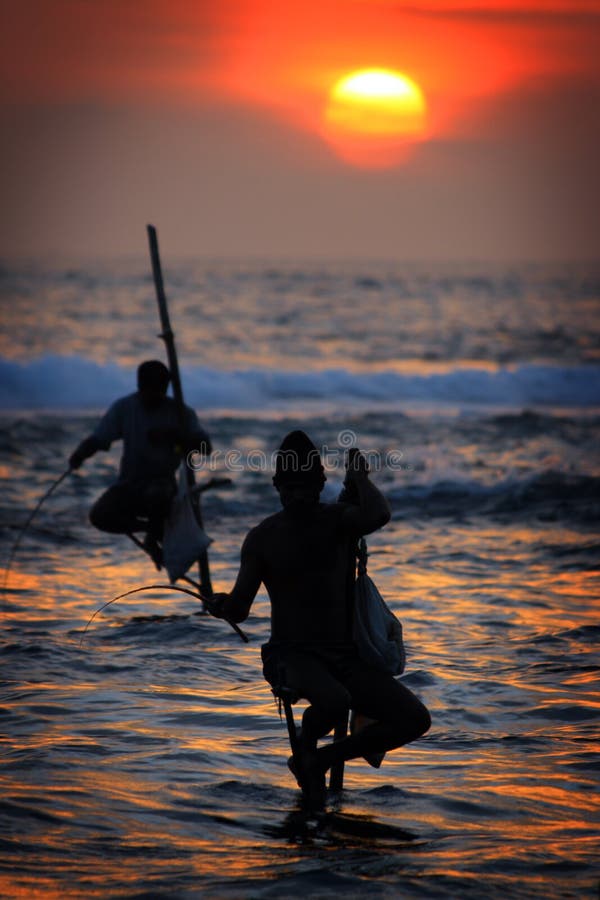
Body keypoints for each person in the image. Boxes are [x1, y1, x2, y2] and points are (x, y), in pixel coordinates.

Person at [210, 430, 430, 808]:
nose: (297, 494)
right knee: (334, 701)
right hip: (289, 657)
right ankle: (312, 742)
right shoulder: (263, 538)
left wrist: (360, 480)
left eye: (306, 485)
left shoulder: (339, 521)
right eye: (290, 486)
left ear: (320, 484)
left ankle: (318, 760)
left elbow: (378, 513)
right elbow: (240, 609)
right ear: (276, 485)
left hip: (344, 658)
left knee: (414, 719)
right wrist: (222, 605)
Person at [68, 360, 211, 563]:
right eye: (150, 390)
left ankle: (153, 538)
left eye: (159, 390)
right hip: (129, 484)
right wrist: (79, 455)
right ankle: (153, 529)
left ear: (166, 388)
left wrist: (175, 436)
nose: (154, 396)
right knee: (100, 515)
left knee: (158, 492)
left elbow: (205, 447)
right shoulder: (125, 408)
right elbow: (99, 438)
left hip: (163, 486)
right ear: (140, 387)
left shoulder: (180, 413)